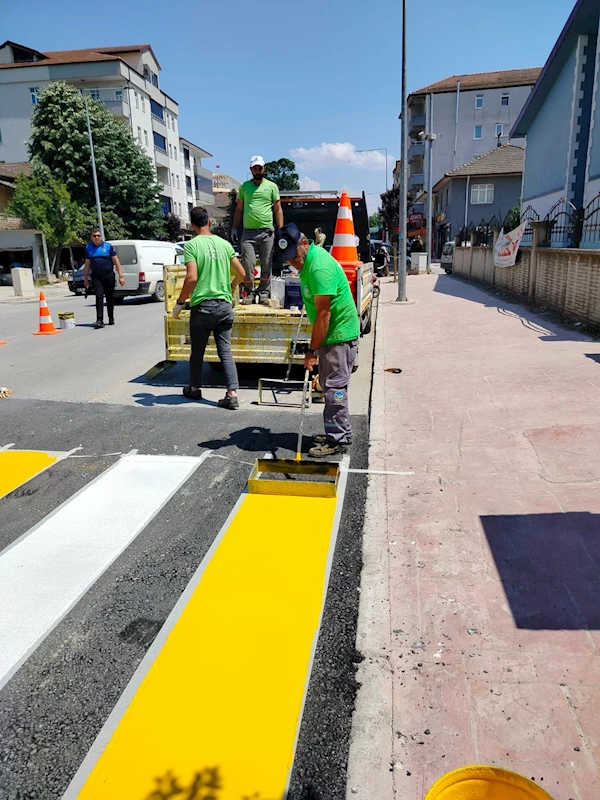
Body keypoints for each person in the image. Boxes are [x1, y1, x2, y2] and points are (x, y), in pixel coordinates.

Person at [277, 223, 360, 458]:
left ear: (304, 244)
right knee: (331, 386)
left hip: (338, 335)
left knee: (335, 389)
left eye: (294, 257)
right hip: (331, 335)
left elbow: (324, 315)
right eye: (288, 260)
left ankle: (338, 439)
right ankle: (338, 431)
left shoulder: (318, 267)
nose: (292, 263)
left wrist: (312, 351)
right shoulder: (308, 264)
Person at [173, 206, 246, 410]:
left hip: (203, 308)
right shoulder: (224, 244)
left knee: (197, 351)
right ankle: (232, 394)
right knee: (225, 351)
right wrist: (231, 288)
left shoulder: (192, 246)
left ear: (192, 225)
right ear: (210, 222)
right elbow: (242, 272)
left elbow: (192, 277)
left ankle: (195, 388)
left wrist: (180, 303)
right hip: (224, 306)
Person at [232, 155, 284, 306]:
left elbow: (278, 209)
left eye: (260, 168)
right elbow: (239, 208)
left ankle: (263, 292)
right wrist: (235, 228)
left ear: (264, 169)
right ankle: (249, 291)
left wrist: (280, 231)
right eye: (255, 168)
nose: (257, 170)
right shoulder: (244, 187)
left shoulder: (272, 186)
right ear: (251, 170)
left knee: (267, 263)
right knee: (248, 262)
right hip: (248, 232)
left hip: (267, 231)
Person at [83, 229, 124, 329]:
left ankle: (111, 318)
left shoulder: (108, 246)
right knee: (99, 296)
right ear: (91, 237)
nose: (96, 238)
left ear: (101, 236)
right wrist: (85, 278)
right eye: (94, 236)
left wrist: (121, 276)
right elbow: (87, 264)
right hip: (96, 277)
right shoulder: (89, 248)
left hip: (108, 275)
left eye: (98, 235)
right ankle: (99, 320)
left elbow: (116, 261)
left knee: (109, 297)